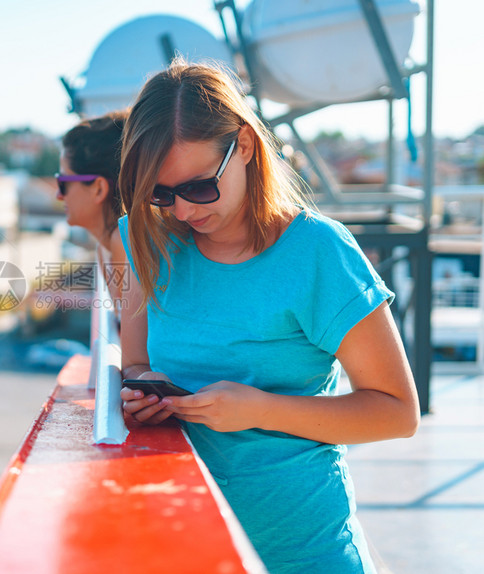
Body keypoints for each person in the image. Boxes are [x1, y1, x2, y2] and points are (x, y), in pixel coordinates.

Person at [116, 59, 419, 574]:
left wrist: (258, 409)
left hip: (303, 553)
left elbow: (397, 412)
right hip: (180, 544)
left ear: (246, 146)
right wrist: (143, 389)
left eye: (198, 187)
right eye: (161, 194)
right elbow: (135, 363)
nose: (183, 212)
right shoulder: (144, 236)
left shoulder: (317, 252)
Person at [57, 111, 128, 304]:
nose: (59, 195)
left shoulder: (123, 242)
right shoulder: (105, 249)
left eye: (63, 182)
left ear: (98, 189)